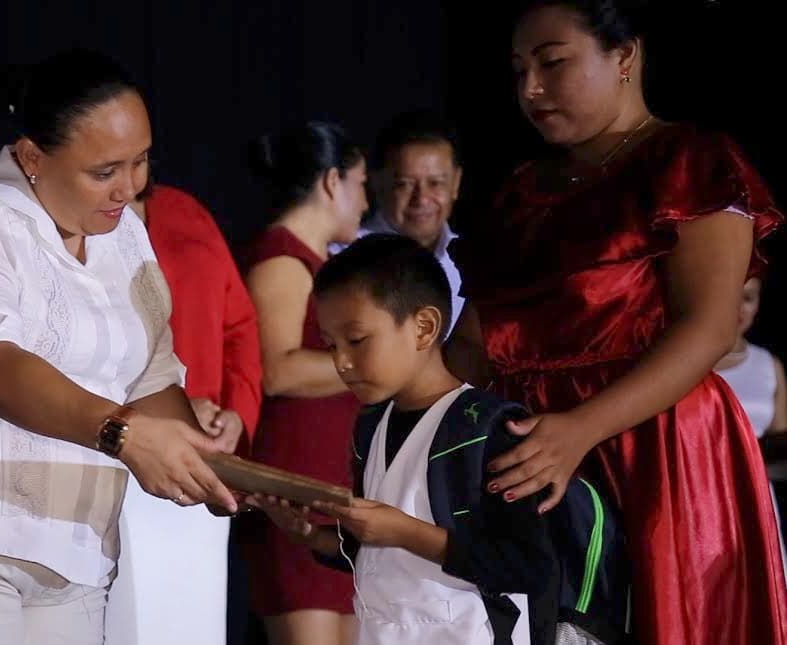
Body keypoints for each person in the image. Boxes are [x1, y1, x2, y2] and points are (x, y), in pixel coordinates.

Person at [0, 49, 236, 645]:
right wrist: (124, 435)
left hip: (74, 559)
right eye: (104, 171)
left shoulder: (125, 233)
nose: (130, 187)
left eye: (140, 162)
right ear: (32, 157)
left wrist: (218, 471)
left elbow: (151, 376)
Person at [448, 2, 787, 643]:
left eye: (552, 63)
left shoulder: (689, 160)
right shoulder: (523, 189)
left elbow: (710, 327)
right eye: (518, 70)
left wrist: (581, 428)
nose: (530, 89)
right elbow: (470, 346)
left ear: (625, 55)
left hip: (656, 447)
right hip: (529, 449)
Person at [252, 233, 629, 645]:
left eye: (356, 340)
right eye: (330, 345)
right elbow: (376, 554)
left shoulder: (487, 429)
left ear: (424, 327)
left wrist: (406, 532)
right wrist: (314, 536)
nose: (341, 362)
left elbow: (529, 566)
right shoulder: (371, 426)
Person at [242, 121, 367, 645]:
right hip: (293, 495)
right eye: (362, 185)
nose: (366, 202)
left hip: (333, 496)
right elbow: (278, 369)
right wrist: (372, 362)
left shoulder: (322, 265)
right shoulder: (282, 258)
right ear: (332, 181)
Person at [125, 182, 263, 645]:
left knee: (192, 620)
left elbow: (239, 324)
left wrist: (236, 413)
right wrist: (165, 411)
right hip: (118, 454)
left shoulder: (184, 210)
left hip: (203, 456)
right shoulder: (67, 221)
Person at [332, 112, 466, 331]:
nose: (421, 199)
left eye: (435, 183)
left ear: (456, 183)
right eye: (404, 184)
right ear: (377, 182)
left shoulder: (474, 264)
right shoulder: (339, 259)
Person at [715, 277, 787, 437]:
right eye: (730, 297)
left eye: (747, 298)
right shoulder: (685, 361)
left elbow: (779, 439)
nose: (738, 307)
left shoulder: (769, 365)